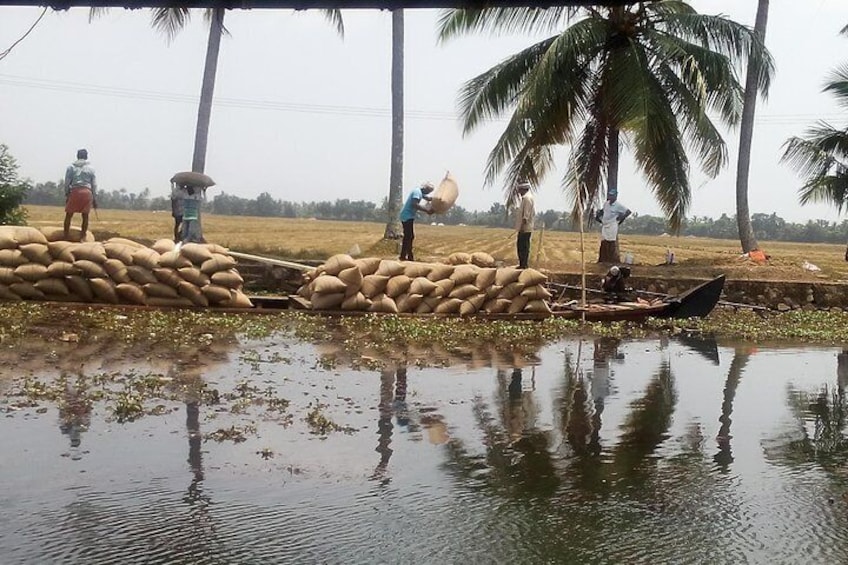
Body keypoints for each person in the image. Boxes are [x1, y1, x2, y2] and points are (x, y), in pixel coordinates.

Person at [63, 148, 97, 240]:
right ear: (86, 156)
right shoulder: (91, 168)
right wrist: (94, 198)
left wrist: (67, 194)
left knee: (69, 215)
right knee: (85, 216)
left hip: (75, 191)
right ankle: (82, 236)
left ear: (77, 156)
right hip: (87, 192)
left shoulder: (71, 167)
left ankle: (65, 235)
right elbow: (94, 184)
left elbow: (67, 182)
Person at [399, 182, 434, 261]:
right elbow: (414, 204)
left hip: (408, 216)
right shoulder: (417, 192)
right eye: (428, 191)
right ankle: (407, 256)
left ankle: (404, 255)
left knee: (408, 236)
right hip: (407, 216)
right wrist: (427, 210)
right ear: (425, 188)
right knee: (409, 236)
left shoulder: (420, 192)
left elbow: (428, 198)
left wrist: (436, 199)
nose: (428, 193)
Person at [597, 189, 631, 263]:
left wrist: (621, 218)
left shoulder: (618, 205)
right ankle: (603, 259)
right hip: (605, 225)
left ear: (616, 196)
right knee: (604, 241)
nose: (611, 197)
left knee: (611, 242)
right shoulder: (606, 204)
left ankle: (610, 259)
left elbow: (628, 212)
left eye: (612, 195)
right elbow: (604, 211)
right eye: (610, 195)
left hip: (612, 225)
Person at [514, 180, 535, 269]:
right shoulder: (526, 198)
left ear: (523, 189)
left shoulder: (527, 198)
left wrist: (522, 226)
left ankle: (523, 264)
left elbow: (526, 215)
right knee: (521, 245)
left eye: (519, 189)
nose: (518, 192)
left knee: (523, 246)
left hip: (525, 227)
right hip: (524, 227)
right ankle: (522, 264)